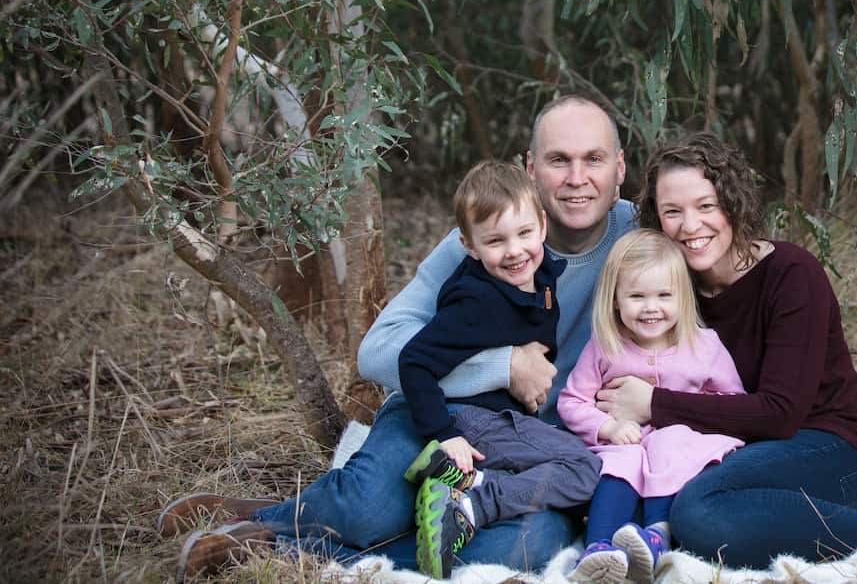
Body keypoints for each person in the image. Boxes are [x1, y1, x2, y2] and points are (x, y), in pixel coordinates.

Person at [161, 96, 635, 579]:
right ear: (532, 169)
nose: (577, 178)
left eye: (594, 159)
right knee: (368, 509)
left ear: (620, 167)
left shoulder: (641, 237)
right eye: (559, 160)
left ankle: (284, 545)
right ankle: (270, 516)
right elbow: (377, 352)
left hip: (531, 450)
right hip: (443, 413)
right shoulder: (489, 235)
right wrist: (504, 366)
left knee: (529, 546)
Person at [595, 133, 857, 583]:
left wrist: (654, 404)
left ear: (732, 202)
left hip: (830, 454)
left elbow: (780, 413)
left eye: (706, 205)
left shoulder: (791, 275)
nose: (690, 226)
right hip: (737, 460)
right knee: (657, 505)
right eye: (673, 211)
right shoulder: (668, 292)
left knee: (698, 512)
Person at [395, 160, 601, 579]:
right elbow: (413, 361)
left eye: (524, 233)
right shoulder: (476, 302)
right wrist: (444, 435)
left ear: (542, 225)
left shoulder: (541, 275)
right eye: (495, 240)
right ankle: (470, 501)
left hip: (503, 418)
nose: (514, 251)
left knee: (570, 488)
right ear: (469, 246)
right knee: (585, 470)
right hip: (476, 419)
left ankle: (460, 484)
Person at [557, 230, 745, 584]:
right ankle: (598, 548)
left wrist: (685, 416)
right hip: (624, 442)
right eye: (637, 296)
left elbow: (734, 403)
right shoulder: (606, 346)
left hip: (684, 448)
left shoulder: (703, 345)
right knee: (623, 457)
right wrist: (608, 427)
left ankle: (657, 536)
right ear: (615, 299)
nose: (651, 307)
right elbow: (572, 400)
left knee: (666, 441)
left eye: (663, 295)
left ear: (682, 297)